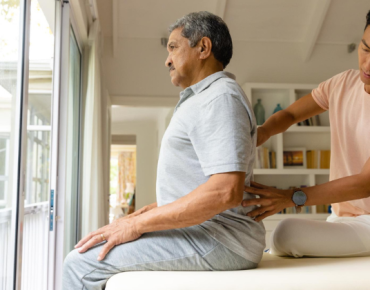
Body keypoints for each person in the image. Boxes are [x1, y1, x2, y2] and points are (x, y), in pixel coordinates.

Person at [63, 11, 265, 289]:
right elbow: (203, 185)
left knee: (80, 265)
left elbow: (225, 191)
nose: (167, 59)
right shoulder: (206, 98)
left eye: (173, 47)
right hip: (206, 232)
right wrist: (146, 213)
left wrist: (135, 226)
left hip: (220, 239)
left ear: (203, 48)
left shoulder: (220, 97)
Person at [242, 10, 370, 258]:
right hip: (339, 218)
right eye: (366, 49)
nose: (367, 64)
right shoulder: (343, 83)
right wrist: (261, 134)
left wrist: (291, 197)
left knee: (286, 233)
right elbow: (289, 115)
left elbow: (366, 183)